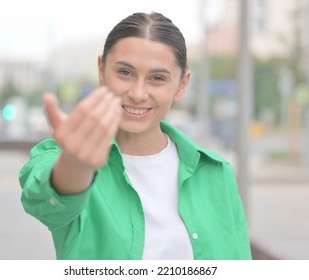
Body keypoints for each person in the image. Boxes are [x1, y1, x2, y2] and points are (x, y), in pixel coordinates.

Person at [19, 12, 251, 260]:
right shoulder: (61, 158)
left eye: (158, 78)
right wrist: (75, 164)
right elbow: (46, 204)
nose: (138, 93)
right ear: (101, 70)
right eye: (125, 73)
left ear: (182, 85)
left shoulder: (217, 172)